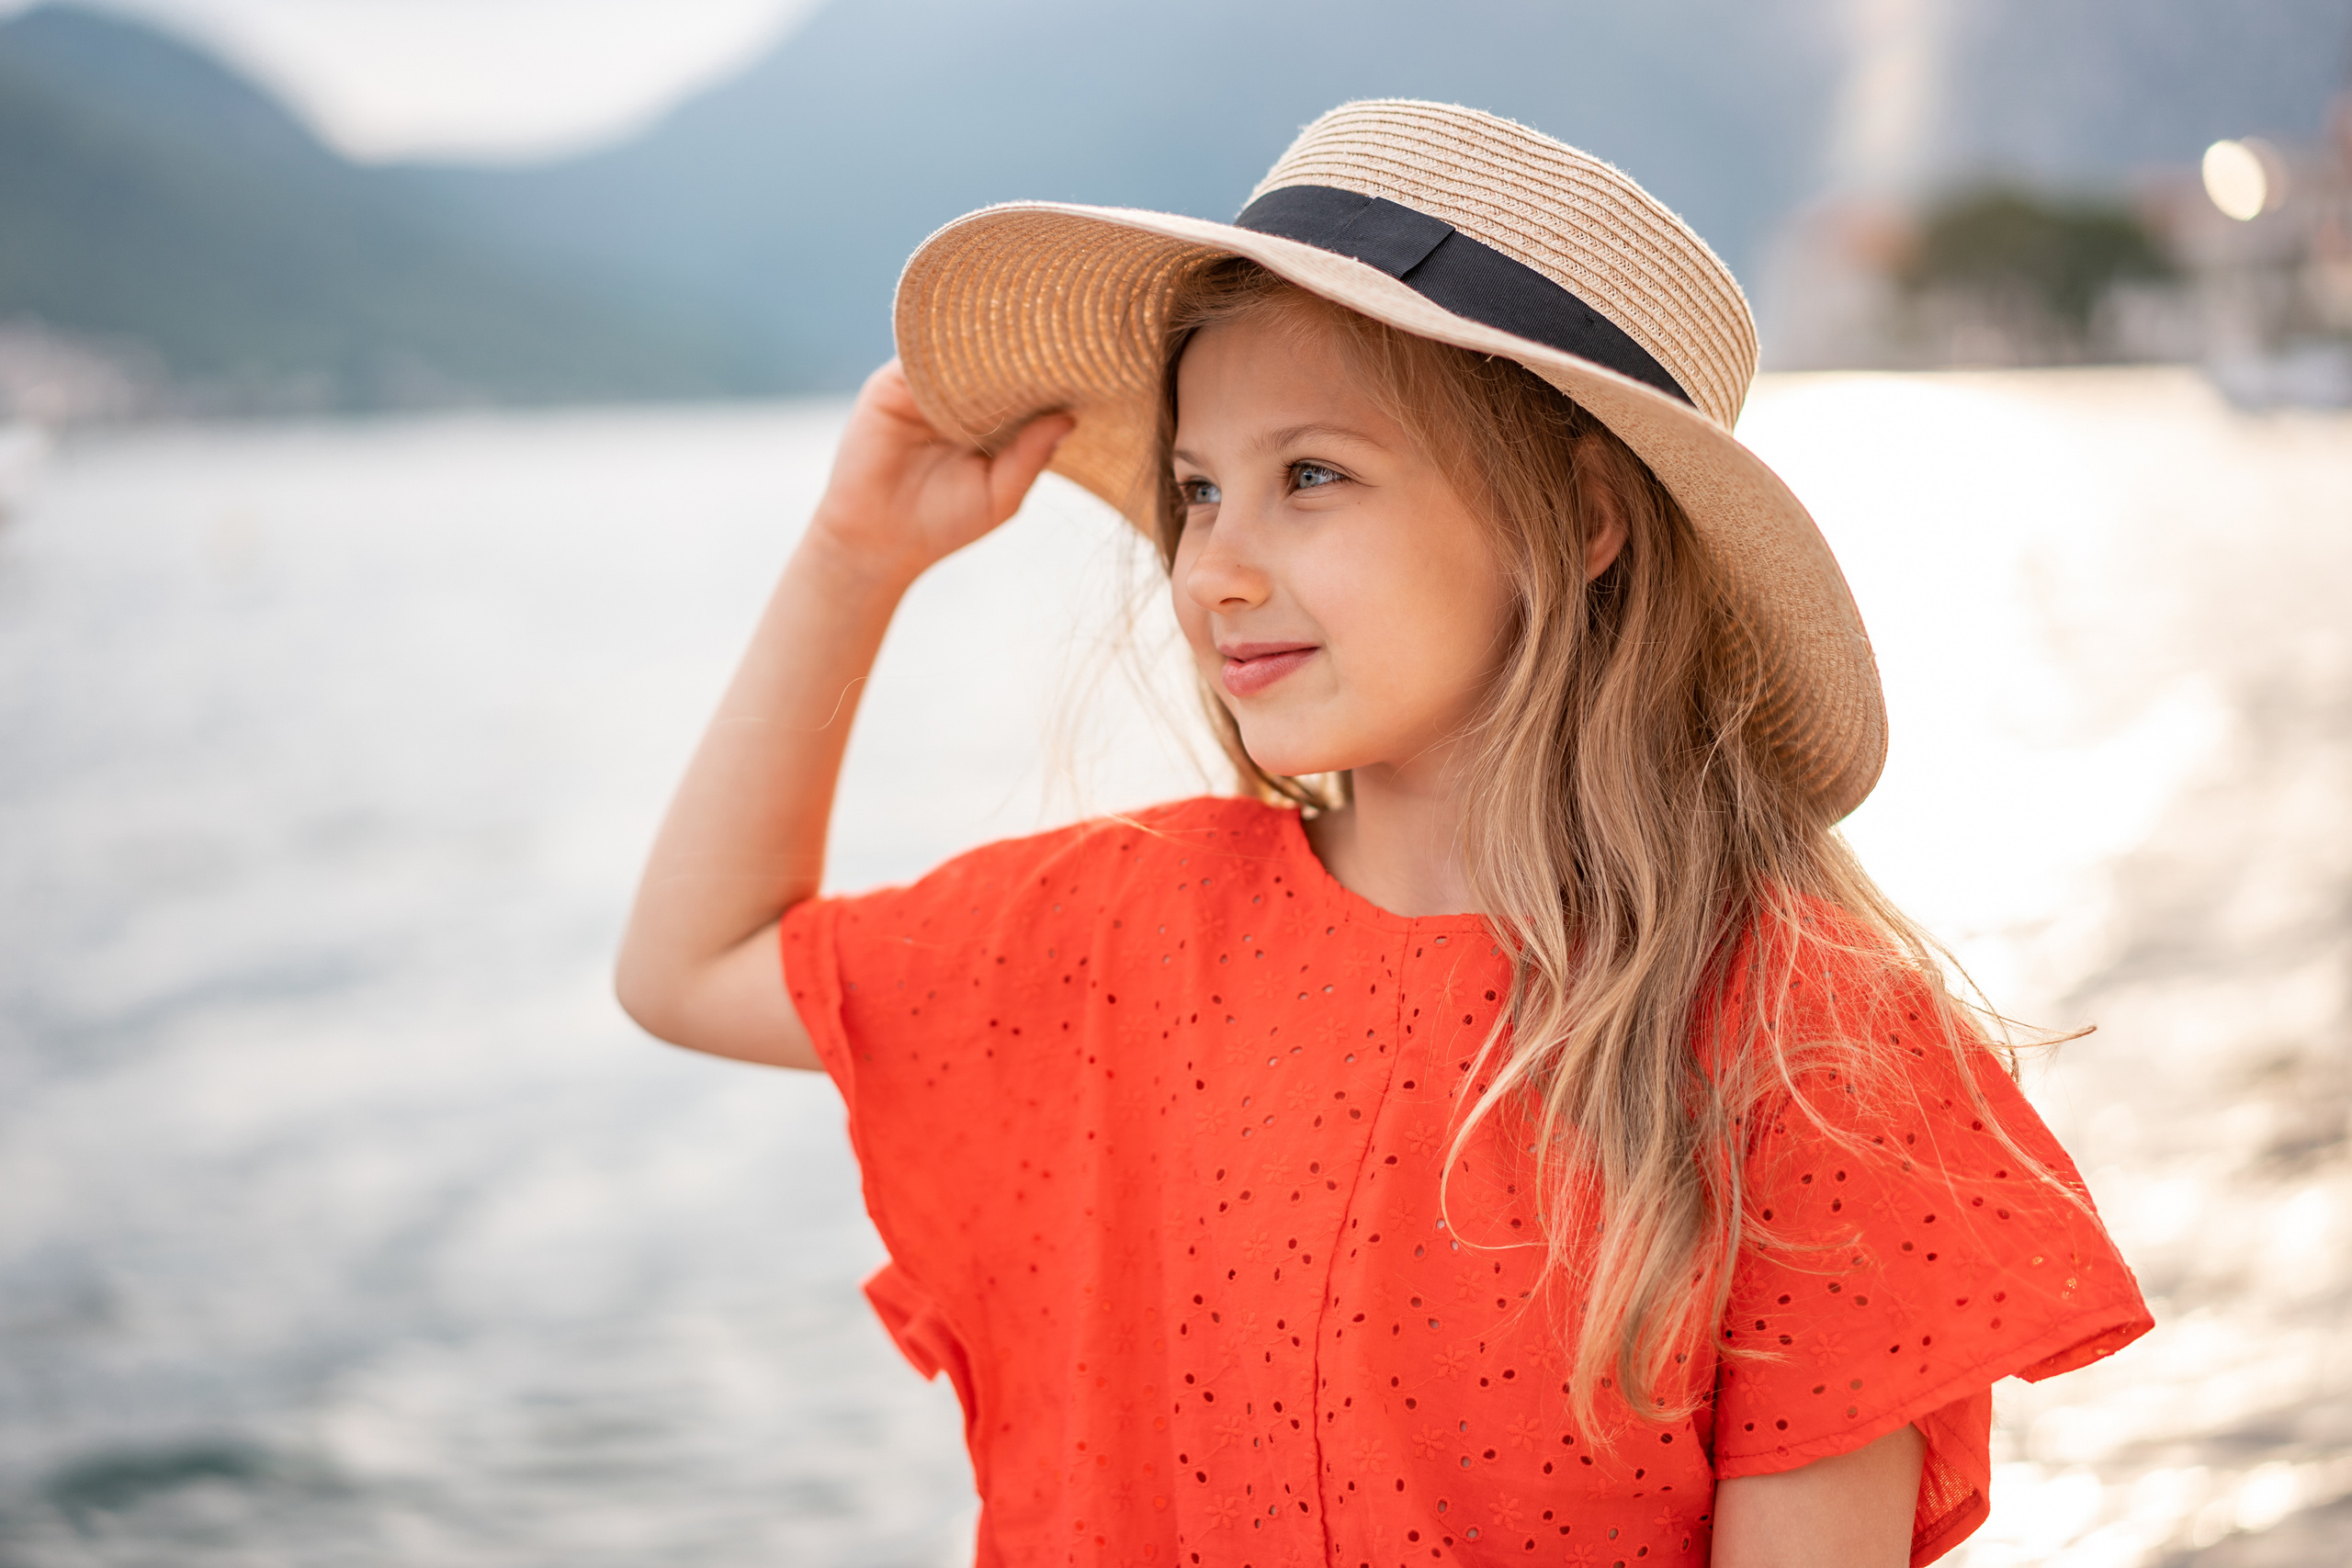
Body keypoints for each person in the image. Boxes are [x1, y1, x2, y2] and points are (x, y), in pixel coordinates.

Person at [616, 101, 2151, 1568]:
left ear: (1589, 517)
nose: (1211, 565)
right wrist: (850, 560)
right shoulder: (1117, 930)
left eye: (1311, 477)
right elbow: (688, 970)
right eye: (1197, 488)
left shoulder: (1807, 1052)